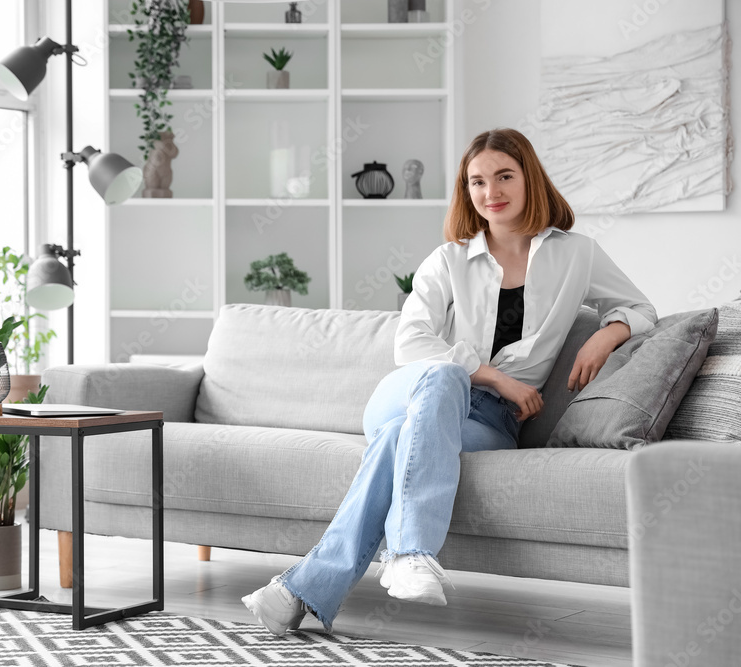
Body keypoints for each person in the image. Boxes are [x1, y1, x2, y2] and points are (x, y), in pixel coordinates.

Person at [241, 127, 657, 636]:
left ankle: (297, 591)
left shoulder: (577, 254)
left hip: (488, 424)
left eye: (504, 176)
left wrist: (604, 335)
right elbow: (410, 342)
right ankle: (412, 551)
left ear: (530, 179)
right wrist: (496, 379)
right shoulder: (449, 259)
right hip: (411, 394)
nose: (491, 192)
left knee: (401, 440)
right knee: (441, 377)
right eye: (477, 182)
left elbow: (638, 307)